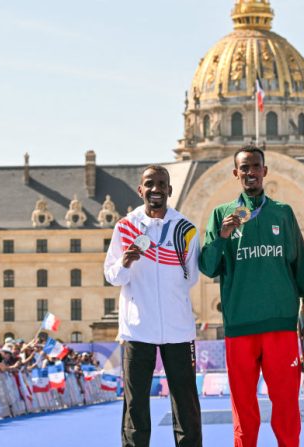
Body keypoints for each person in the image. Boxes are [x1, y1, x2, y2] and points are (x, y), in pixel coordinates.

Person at [199, 145, 304, 447]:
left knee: (287, 406)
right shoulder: (221, 215)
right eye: (244, 168)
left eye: (255, 166)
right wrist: (222, 236)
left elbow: (301, 268)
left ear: (264, 171)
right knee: (243, 407)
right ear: (236, 173)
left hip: (280, 325)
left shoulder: (283, 213)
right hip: (240, 326)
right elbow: (208, 266)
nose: (250, 172)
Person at [105, 164, 202, 447]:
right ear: (141, 190)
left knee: (186, 404)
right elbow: (111, 275)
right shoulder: (125, 227)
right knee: (135, 407)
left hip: (178, 330)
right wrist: (125, 263)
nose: (156, 189)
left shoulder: (186, 229)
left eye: (161, 184)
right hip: (137, 330)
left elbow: (191, 277)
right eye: (150, 184)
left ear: (170, 190)